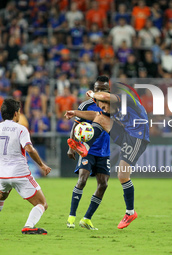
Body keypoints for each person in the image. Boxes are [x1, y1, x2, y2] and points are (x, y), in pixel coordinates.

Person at [65, 85, 150, 229]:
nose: (103, 109)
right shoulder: (109, 108)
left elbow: (104, 97)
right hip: (126, 134)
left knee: (122, 175)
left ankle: (130, 212)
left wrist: (93, 94)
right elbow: (95, 116)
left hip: (137, 137)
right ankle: (85, 146)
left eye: (104, 107)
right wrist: (75, 112)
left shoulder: (124, 99)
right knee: (100, 118)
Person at [0, 99, 51, 234]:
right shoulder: (21, 129)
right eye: (19, 112)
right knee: (42, 204)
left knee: (2, 194)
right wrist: (42, 165)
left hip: (2, 174)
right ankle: (28, 226)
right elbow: (30, 149)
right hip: (20, 173)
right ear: (16, 113)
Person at [66, 76, 111, 230]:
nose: (100, 92)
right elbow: (76, 125)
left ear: (108, 90)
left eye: (103, 89)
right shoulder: (85, 105)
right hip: (87, 149)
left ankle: (86, 219)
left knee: (103, 184)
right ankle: (71, 217)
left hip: (104, 151)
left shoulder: (112, 106)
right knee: (82, 180)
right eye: (97, 89)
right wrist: (71, 146)